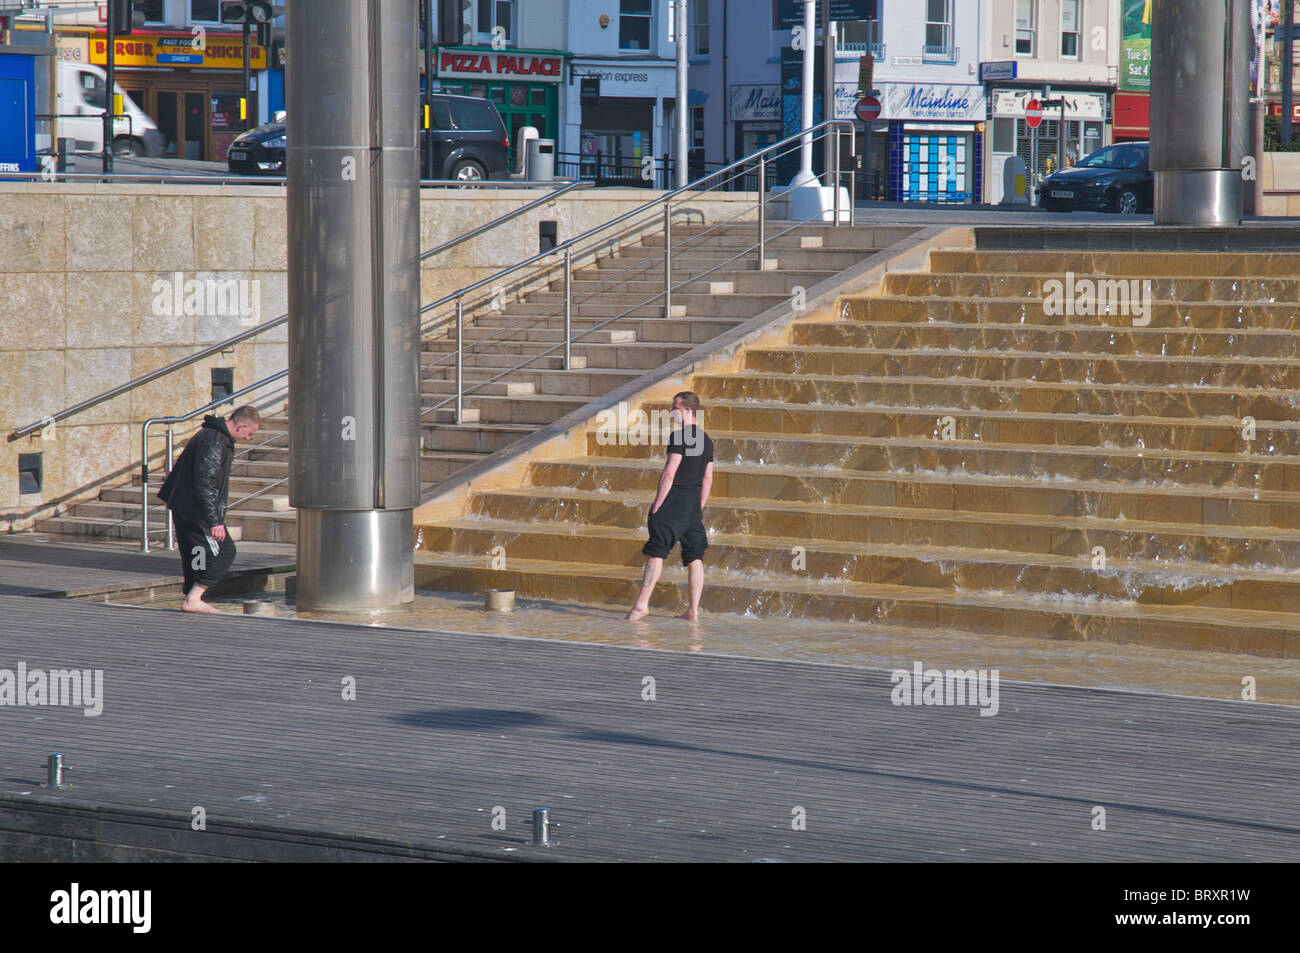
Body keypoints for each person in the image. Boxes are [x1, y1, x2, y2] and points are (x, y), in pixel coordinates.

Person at [157, 406, 260, 613]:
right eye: (250, 433)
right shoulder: (216, 441)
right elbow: (205, 482)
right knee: (225, 551)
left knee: (197, 551)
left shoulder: (209, 434)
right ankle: (194, 598)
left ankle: (190, 595)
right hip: (198, 510)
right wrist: (215, 521)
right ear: (240, 426)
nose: (249, 439)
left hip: (185, 505)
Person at [626, 392, 714, 622]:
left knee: (656, 552)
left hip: (673, 500)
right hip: (693, 504)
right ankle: (693, 611)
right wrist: (698, 507)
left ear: (687, 410)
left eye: (674, 408)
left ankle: (641, 606)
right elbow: (708, 479)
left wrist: (658, 503)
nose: (670, 412)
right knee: (695, 556)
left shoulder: (680, 437)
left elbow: (669, 473)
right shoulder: (706, 439)